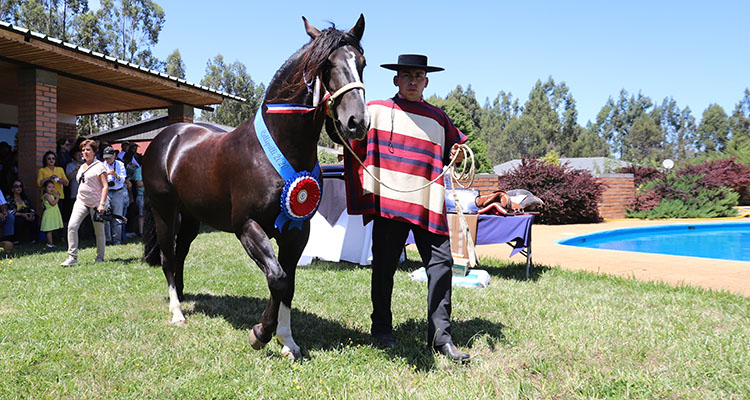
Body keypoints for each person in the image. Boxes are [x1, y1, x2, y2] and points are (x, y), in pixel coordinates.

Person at [344, 54, 470, 362]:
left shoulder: (439, 118)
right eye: (406, 75)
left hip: (428, 203)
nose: (412, 80)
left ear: (426, 82)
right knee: (384, 267)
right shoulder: (375, 110)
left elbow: (454, 147)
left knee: (441, 265)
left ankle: (441, 338)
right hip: (390, 203)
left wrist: (456, 152)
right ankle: (382, 329)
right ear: (396, 80)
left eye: (418, 76)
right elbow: (351, 139)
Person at [61, 140, 109, 267]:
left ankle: (100, 257)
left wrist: (102, 204)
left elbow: (105, 186)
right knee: (72, 226)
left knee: (98, 231)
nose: (85, 152)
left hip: (96, 203)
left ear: (94, 152)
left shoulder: (100, 166)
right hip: (81, 201)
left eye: (88, 150)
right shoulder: (81, 167)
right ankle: (72, 258)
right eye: (83, 150)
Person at [101, 146, 128, 245]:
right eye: (106, 158)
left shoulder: (120, 164)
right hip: (107, 191)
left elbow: (123, 180)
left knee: (117, 216)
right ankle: (107, 239)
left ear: (114, 156)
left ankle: (117, 240)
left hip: (118, 191)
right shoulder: (102, 165)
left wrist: (114, 174)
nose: (107, 160)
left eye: (109, 157)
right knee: (106, 216)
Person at [7, 179, 39, 244]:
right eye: (16, 186)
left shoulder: (24, 198)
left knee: (35, 218)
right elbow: (9, 211)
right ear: (12, 189)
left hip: (26, 215)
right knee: (19, 220)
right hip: (17, 216)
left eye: (20, 186)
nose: (19, 188)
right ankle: (16, 240)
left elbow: (31, 208)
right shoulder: (9, 198)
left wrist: (32, 214)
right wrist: (22, 215)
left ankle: (34, 240)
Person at [40, 179, 63, 248]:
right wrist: (57, 198)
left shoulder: (50, 195)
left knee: (52, 228)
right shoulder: (47, 195)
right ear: (45, 188)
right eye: (49, 187)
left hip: (53, 213)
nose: (51, 189)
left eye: (53, 187)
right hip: (49, 214)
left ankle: (52, 242)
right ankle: (49, 243)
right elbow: (53, 203)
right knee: (49, 230)